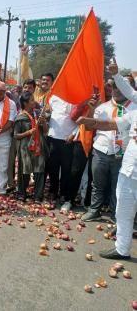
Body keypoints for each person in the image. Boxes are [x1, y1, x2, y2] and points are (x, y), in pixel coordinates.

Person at [76, 110, 137, 260]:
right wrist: (89, 121)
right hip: (129, 172)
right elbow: (110, 124)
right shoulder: (134, 113)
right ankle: (122, 249)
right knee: (123, 212)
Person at [81, 83, 137, 221]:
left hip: (123, 155)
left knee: (118, 187)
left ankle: (116, 216)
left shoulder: (134, 109)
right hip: (101, 151)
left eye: (120, 87)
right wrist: (91, 110)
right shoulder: (102, 107)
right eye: (114, 87)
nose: (116, 90)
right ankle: (94, 210)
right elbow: (88, 128)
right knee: (97, 184)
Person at [14, 92, 48, 202]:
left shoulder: (38, 114)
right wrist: (28, 132)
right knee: (24, 171)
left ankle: (38, 196)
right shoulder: (20, 117)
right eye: (32, 100)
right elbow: (16, 135)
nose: (35, 102)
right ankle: (22, 194)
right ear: (25, 103)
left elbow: (46, 132)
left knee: (39, 171)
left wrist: (43, 123)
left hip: (38, 147)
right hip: (25, 149)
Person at [47, 88, 76, 209]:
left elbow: (79, 120)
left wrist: (74, 133)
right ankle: (53, 192)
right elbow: (49, 113)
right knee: (53, 168)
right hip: (53, 137)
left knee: (66, 169)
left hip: (67, 139)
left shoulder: (74, 99)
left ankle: (64, 194)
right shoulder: (53, 98)